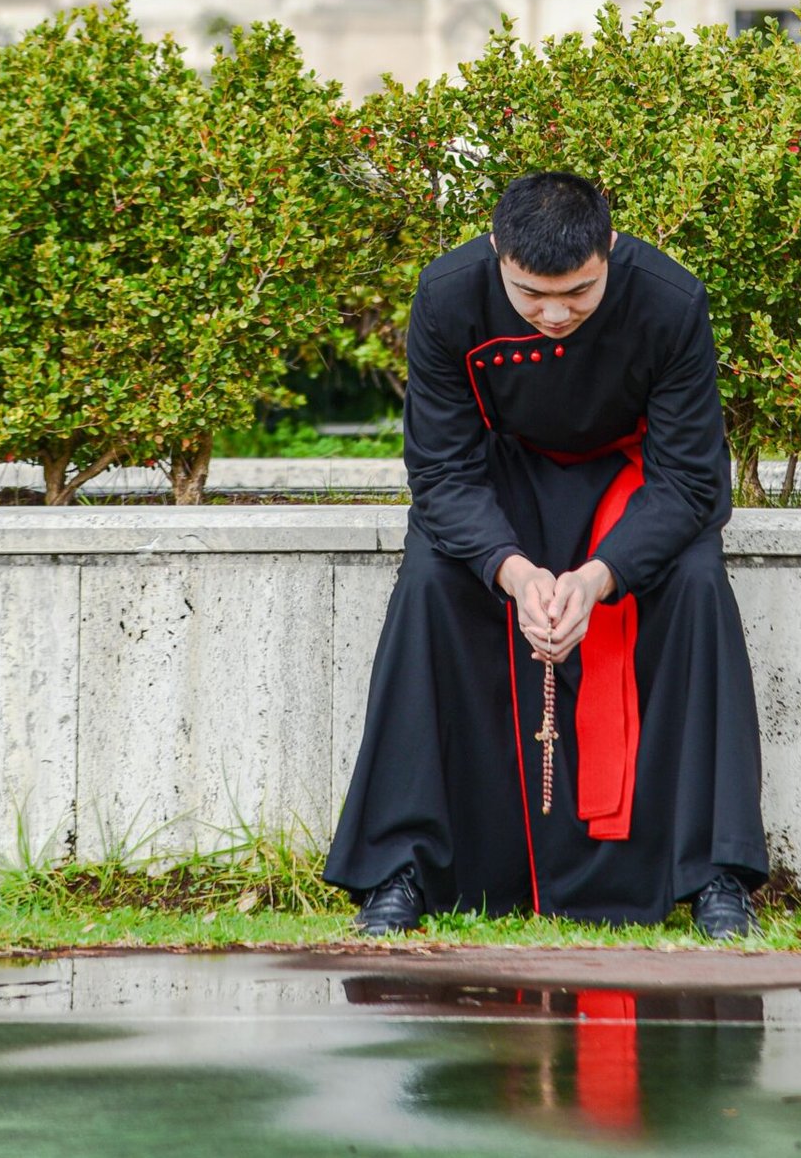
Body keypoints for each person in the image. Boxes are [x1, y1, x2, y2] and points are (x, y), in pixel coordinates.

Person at [324, 170, 767, 937]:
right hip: (499, 487)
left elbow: (692, 479)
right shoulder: (447, 293)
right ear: (497, 252)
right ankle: (400, 870)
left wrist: (601, 578)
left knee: (697, 582)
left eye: (579, 292)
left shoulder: (671, 300)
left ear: (611, 250)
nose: (554, 314)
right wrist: (514, 570)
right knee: (429, 581)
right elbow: (440, 469)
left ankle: (716, 874)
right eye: (531, 295)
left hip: (634, 492)